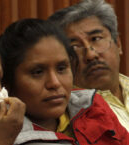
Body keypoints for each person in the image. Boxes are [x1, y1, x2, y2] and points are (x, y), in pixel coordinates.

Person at [0, 18, 129, 145]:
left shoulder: (91, 106)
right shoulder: (3, 136)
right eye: (37, 72)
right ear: (8, 82)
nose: (55, 83)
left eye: (61, 68)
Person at [49, 0, 129, 128]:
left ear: (118, 44)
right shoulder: (67, 117)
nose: (90, 55)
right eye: (74, 46)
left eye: (96, 39)